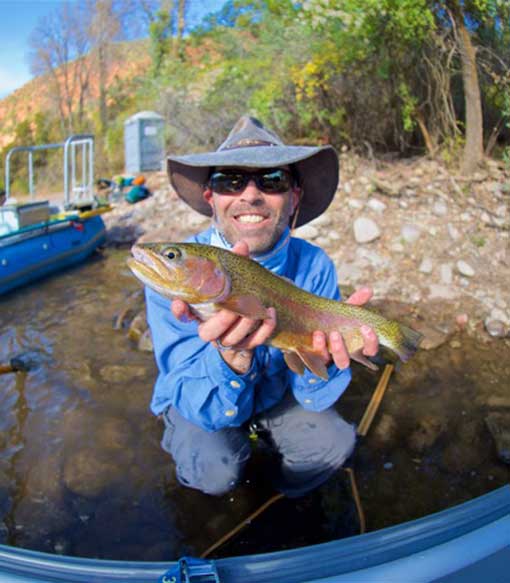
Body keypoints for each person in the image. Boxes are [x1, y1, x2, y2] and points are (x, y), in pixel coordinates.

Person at [145, 116, 378, 499]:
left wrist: (325, 361)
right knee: (215, 469)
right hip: (200, 397)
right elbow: (186, 390)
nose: (250, 195)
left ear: (294, 198)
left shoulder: (315, 265)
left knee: (333, 444)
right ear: (212, 198)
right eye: (229, 181)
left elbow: (313, 396)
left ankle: (279, 498)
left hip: (275, 393)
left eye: (272, 181)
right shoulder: (176, 276)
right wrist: (232, 357)